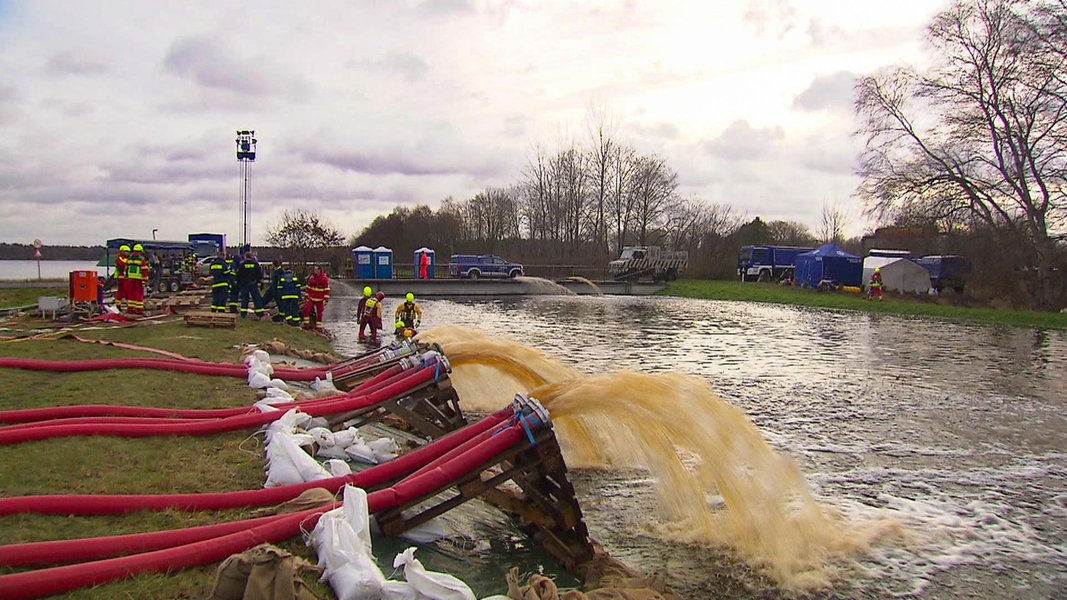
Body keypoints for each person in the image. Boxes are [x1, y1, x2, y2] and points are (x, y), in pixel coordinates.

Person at [236, 251, 265, 319]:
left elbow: (239, 275)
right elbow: (259, 274)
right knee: (256, 299)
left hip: (245, 284)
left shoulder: (242, 264)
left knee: (244, 299)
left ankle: (243, 314)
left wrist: (239, 284)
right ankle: (260, 313)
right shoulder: (255, 264)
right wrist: (260, 282)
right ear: (251, 257)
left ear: (245, 257)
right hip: (253, 284)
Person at [301, 265, 331, 330]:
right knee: (306, 310)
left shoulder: (324, 278)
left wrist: (325, 299)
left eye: (316, 269)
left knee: (319, 313)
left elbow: (326, 290)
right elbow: (308, 288)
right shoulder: (312, 278)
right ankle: (306, 325)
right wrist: (306, 297)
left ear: (320, 270)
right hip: (311, 298)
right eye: (314, 269)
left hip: (320, 299)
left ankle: (319, 327)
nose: (315, 271)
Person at [125, 243, 149, 315]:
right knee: (138, 294)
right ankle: (138, 310)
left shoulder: (129, 259)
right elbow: (144, 270)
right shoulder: (141, 260)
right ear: (140, 251)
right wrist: (145, 280)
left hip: (130, 279)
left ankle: (130, 308)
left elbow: (126, 269)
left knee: (130, 294)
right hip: (138, 279)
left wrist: (126, 277)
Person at [114, 244, 130, 311]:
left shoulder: (126, 258)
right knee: (121, 291)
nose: (128, 253)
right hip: (121, 277)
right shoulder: (120, 257)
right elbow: (122, 264)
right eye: (126, 251)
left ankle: (126, 304)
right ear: (122, 251)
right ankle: (118, 304)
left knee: (126, 291)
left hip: (125, 277)